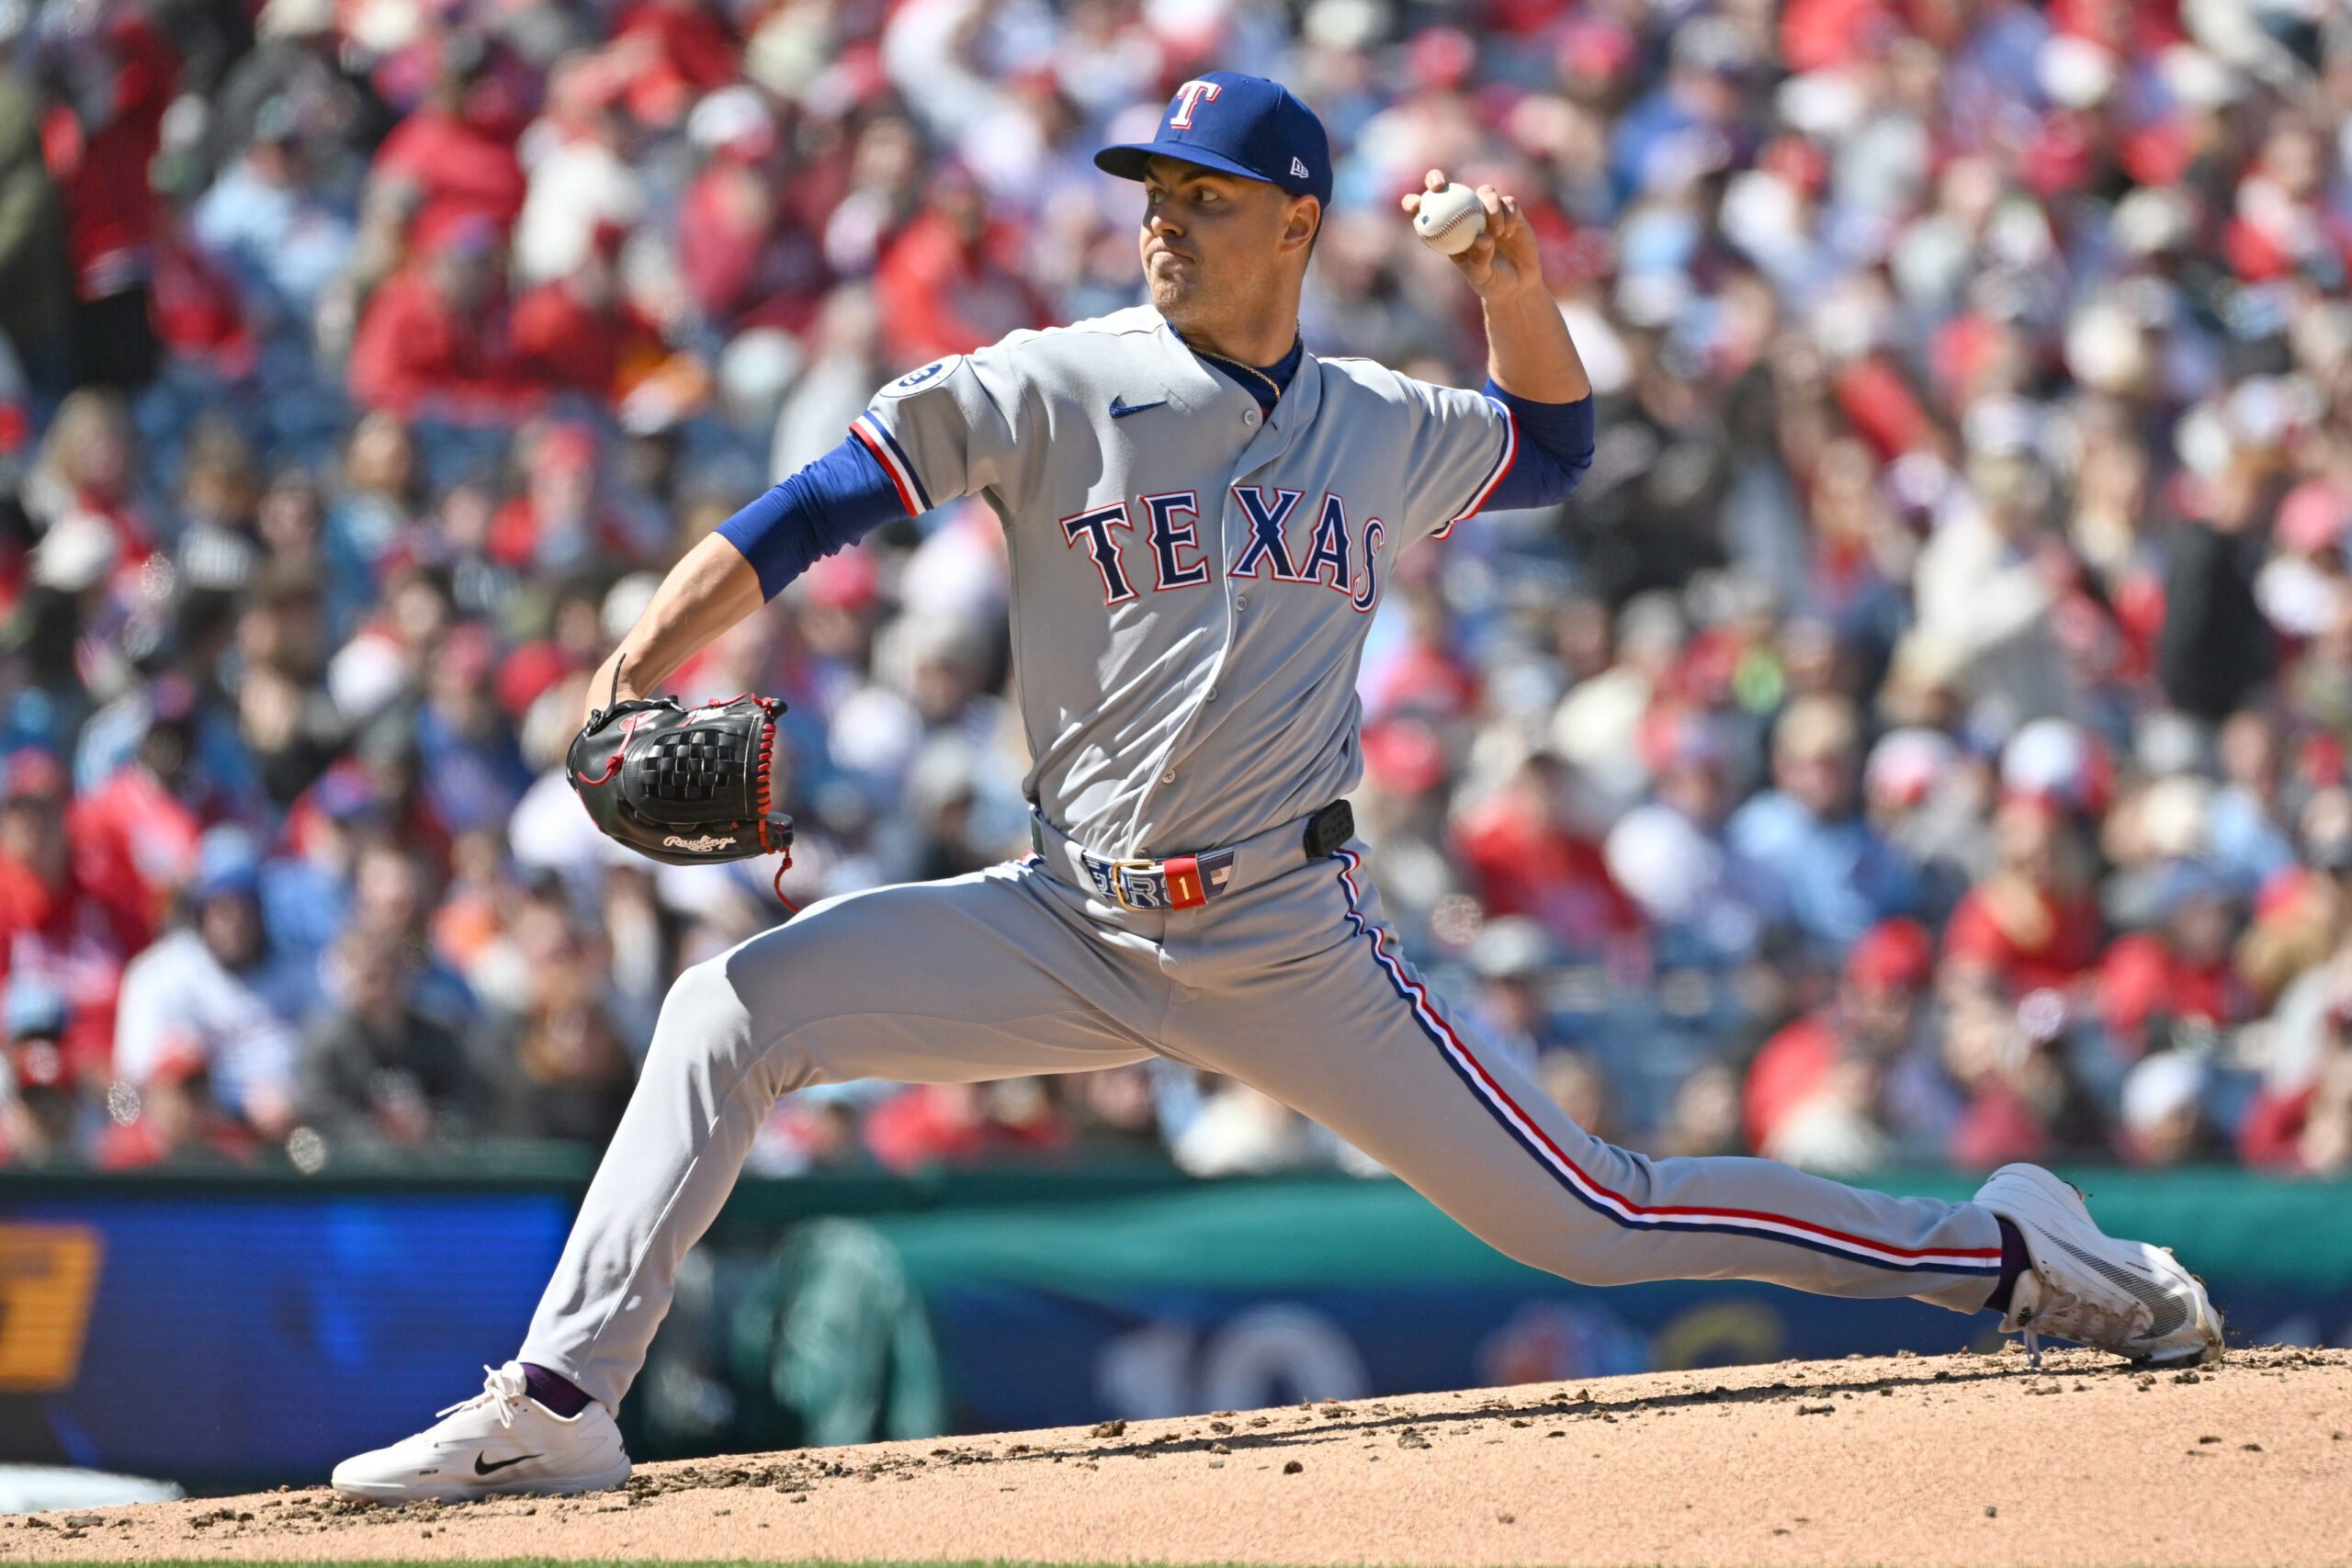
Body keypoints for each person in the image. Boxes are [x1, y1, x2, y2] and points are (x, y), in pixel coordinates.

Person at [332, 73, 2222, 1503]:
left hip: (1290, 931)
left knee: (1599, 1219)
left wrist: (1515, 275)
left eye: (1203, 193)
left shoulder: (1378, 424)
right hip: (1063, 916)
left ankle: (2008, 1252)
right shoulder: (1056, 379)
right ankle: (560, 1405)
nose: (1161, 215)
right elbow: (820, 496)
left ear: (1295, 223)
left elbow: (1554, 448)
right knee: (727, 1009)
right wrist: (640, 652)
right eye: (1151, 187)